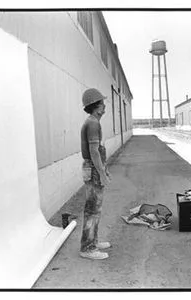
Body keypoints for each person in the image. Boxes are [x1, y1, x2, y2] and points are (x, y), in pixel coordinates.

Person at [79, 88, 113, 260]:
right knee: (92, 209)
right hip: (93, 169)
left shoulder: (92, 122)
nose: (104, 106)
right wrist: (102, 174)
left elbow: (98, 150)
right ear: (96, 106)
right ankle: (88, 248)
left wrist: (103, 169)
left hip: (94, 168)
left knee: (95, 208)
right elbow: (94, 152)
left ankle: (93, 240)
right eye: (102, 103)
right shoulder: (93, 123)